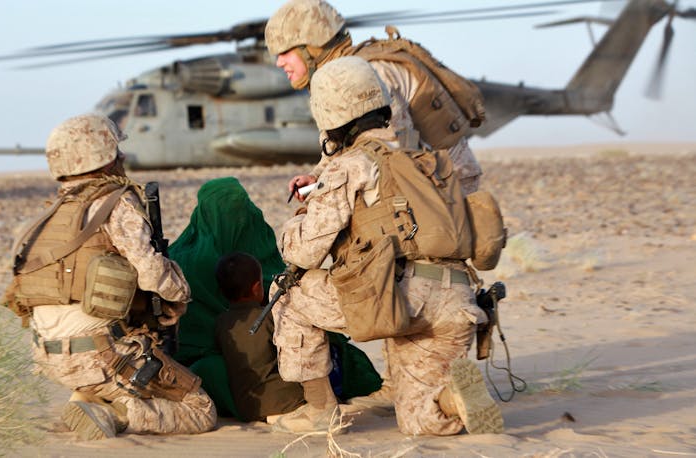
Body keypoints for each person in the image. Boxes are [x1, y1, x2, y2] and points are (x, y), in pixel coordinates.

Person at [268, 56, 503, 436]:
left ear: (330, 116)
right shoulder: (425, 158)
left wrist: (297, 219)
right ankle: (450, 398)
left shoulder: (349, 166)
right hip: (457, 299)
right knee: (421, 423)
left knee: (287, 294)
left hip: (398, 299)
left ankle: (321, 412)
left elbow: (304, 252)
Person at [1, 114, 216, 440]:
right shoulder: (116, 203)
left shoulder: (51, 213)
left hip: (46, 356)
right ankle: (114, 412)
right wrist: (181, 295)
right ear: (101, 157)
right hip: (100, 355)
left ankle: (87, 396)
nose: (123, 157)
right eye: (115, 150)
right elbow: (152, 274)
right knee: (200, 411)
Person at [168, 177, 382, 419]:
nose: (235, 220)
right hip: (229, 361)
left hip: (253, 363)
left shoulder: (185, 255)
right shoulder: (195, 259)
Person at [265, 0, 484, 201]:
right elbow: (339, 146)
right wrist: (316, 177)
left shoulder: (369, 75)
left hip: (448, 181)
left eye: (285, 53)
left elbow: (395, 147)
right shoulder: (338, 78)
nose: (279, 63)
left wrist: (334, 182)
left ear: (312, 48)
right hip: (419, 176)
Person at [213, 252, 305, 422]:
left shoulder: (221, 323)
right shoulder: (270, 317)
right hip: (285, 400)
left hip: (247, 408)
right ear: (257, 288)